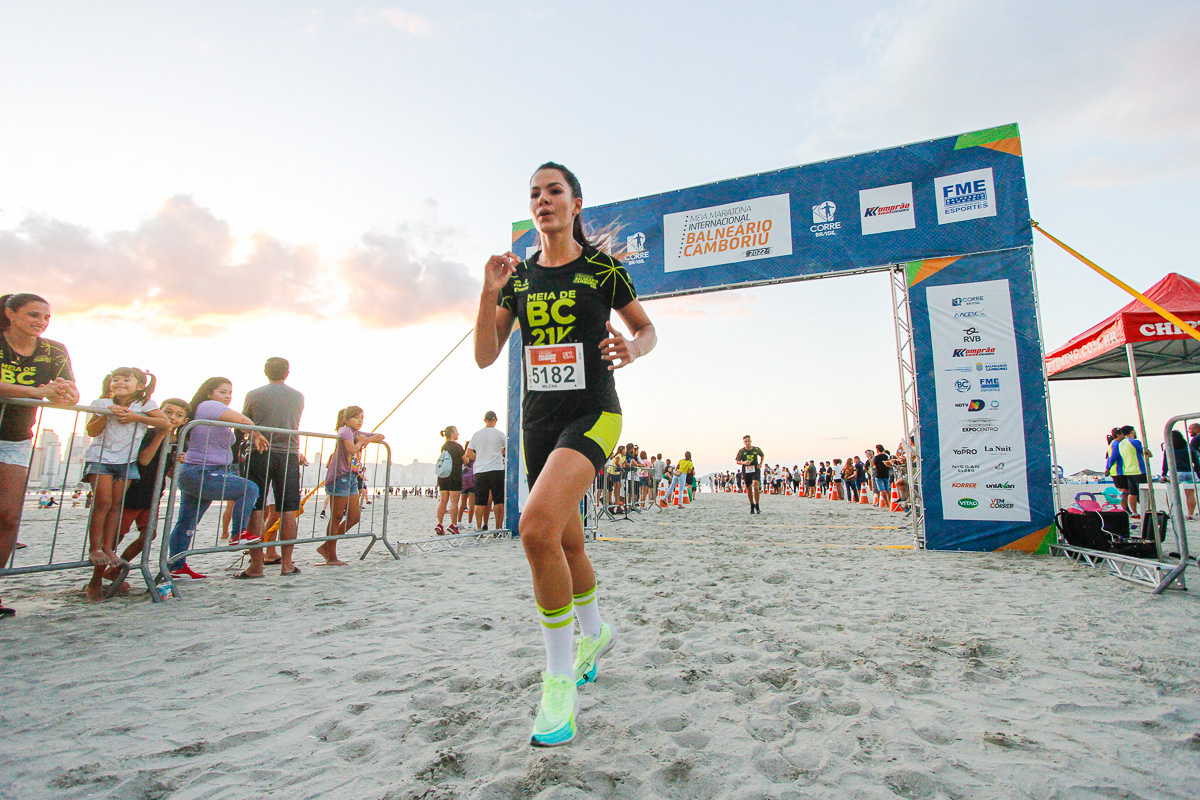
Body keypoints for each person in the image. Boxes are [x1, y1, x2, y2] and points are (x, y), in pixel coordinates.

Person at [473, 162, 656, 747]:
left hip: (595, 412)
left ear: (576, 203)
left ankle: (557, 681)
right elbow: (483, 354)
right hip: (538, 422)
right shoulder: (519, 278)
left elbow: (647, 330)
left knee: (534, 531)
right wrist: (488, 292)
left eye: (554, 191)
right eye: (534, 194)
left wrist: (633, 348)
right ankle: (596, 633)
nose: (543, 200)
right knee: (566, 540)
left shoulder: (602, 268)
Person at [0, 294, 78, 616]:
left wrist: (65, 393)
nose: (41, 322)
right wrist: (34, 392)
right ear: (10, 314)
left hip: (15, 438)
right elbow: (37, 392)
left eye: (46, 317)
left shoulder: (54, 350)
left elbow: (71, 394)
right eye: (33, 315)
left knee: (7, 517)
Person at [82, 368, 169, 601]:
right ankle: (95, 548)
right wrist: (106, 413)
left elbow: (164, 422)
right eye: (115, 379)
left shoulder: (145, 403)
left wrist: (135, 417)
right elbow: (91, 430)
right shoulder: (100, 402)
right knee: (103, 502)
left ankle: (109, 548)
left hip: (126, 463)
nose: (119, 382)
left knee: (116, 506)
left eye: (125, 379)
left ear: (140, 386)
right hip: (101, 459)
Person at [167, 377, 261, 581]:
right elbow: (245, 421)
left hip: (197, 471)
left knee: (187, 523)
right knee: (249, 489)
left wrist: (251, 432)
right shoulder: (209, 406)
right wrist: (256, 434)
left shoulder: (210, 411)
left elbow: (243, 425)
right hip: (203, 472)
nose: (227, 396)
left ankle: (176, 565)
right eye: (222, 391)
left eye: (229, 392)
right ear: (209, 393)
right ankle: (238, 534)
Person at [105, 397, 190, 588]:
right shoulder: (149, 433)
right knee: (116, 533)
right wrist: (161, 434)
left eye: (179, 415)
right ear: (160, 412)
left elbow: (169, 472)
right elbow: (144, 459)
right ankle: (101, 570)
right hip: (133, 489)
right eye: (167, 412)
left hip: (153, 493)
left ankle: (116, 569)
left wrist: (178, 461)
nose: (172, 418)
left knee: (148, 535)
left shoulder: (179, 441)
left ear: (185, 420)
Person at [239, 357, 305, 578]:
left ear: (266, 371)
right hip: (288, 452)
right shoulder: (298, 396)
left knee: (256, 508)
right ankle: (287, 564)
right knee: (287, 511)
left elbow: (245, 423)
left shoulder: (254, 394)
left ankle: (256, 566)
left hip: (260, 450)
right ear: (288, 372)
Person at [317, 406, 385, 566]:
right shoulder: (345, 431)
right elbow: (351, 448)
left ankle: (326, 546)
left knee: (354, 517)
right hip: (340, 477)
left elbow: (381, 436)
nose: (360, 420)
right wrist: (361, 442)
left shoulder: (356, 434)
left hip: (352, 478)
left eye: (362, 417)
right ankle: (331, 556)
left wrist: (365, 439)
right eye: (356, 417)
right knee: (337, 517)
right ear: (347, 419)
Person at [467, 411, 506, 531]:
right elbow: (508, 447)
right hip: (497, 468)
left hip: (481, 469)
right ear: (496, 420)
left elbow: (468, 453)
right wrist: (499, 453)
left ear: (485, 420)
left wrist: (478, 457)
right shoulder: (499, 434)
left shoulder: (477, 434)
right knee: (498, 500)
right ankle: (498, 527)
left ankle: (479, 528)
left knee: (480, 501)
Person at [1107, 425, 1147, 516]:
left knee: (1131, 492)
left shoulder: (1119, 443)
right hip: (1135, 470)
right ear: (1132, 432)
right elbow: (1145, 452)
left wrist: (1108, 467)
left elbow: (1110, 457)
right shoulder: (1132, 442)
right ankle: (1130, 510)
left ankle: (1132, 512)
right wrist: (1108, 467)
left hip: (1127, 471)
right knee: (1138, 492)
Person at [1163, 428, 1199, 520]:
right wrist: (1198, 473)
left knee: (1171, 492)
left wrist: (1164, 473)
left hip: (1177, 472)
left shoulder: (1170, 448)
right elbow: (1196, 461)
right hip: (1190, 472)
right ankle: (1190, 514)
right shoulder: (1188, 447)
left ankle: (1172, 513)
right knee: (1190, 494)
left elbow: (1166, 462)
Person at [435, 425, 464, 536]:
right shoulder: (458, 447)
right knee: (454, 502)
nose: (458, 434)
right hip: (455, 475)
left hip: (443, 476)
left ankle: (440, 524)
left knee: (443, 501)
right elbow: (465, 459)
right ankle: (453, 525)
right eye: (456, 432)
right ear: (452, 434)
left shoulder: (444, 446)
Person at [736, 435, 764, 513]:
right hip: (746, 471)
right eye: (746, 442)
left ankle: (757, 505)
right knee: (749, 489)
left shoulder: (756, 449)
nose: (747, 443)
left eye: (748, 441)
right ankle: (752, 505)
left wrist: (760, 463)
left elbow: (762, 455)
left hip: (755, 470)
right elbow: (737, 461)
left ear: (751, 441)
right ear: (744, 442)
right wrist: (743, 462)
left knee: (755, 486)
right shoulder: (742, 451)